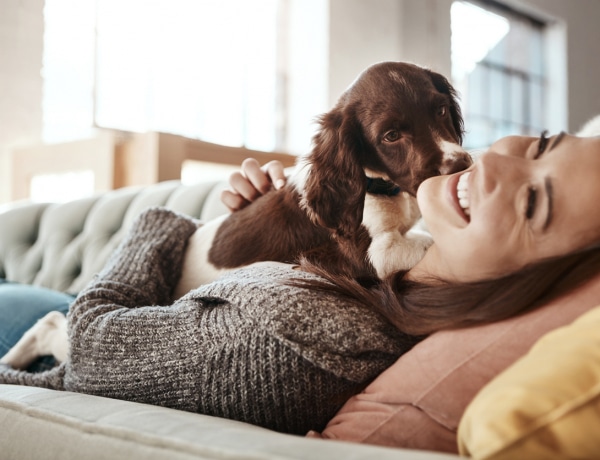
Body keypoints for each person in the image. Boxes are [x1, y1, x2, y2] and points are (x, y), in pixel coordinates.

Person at [1, 131, 600, 435]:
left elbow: (97, 349)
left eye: (531, 202)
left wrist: (167, 228)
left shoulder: (304, 342)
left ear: (530, 285)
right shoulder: (395, 263)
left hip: (50, 331)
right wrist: (254, 227)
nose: (493, 162)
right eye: (543, 143)